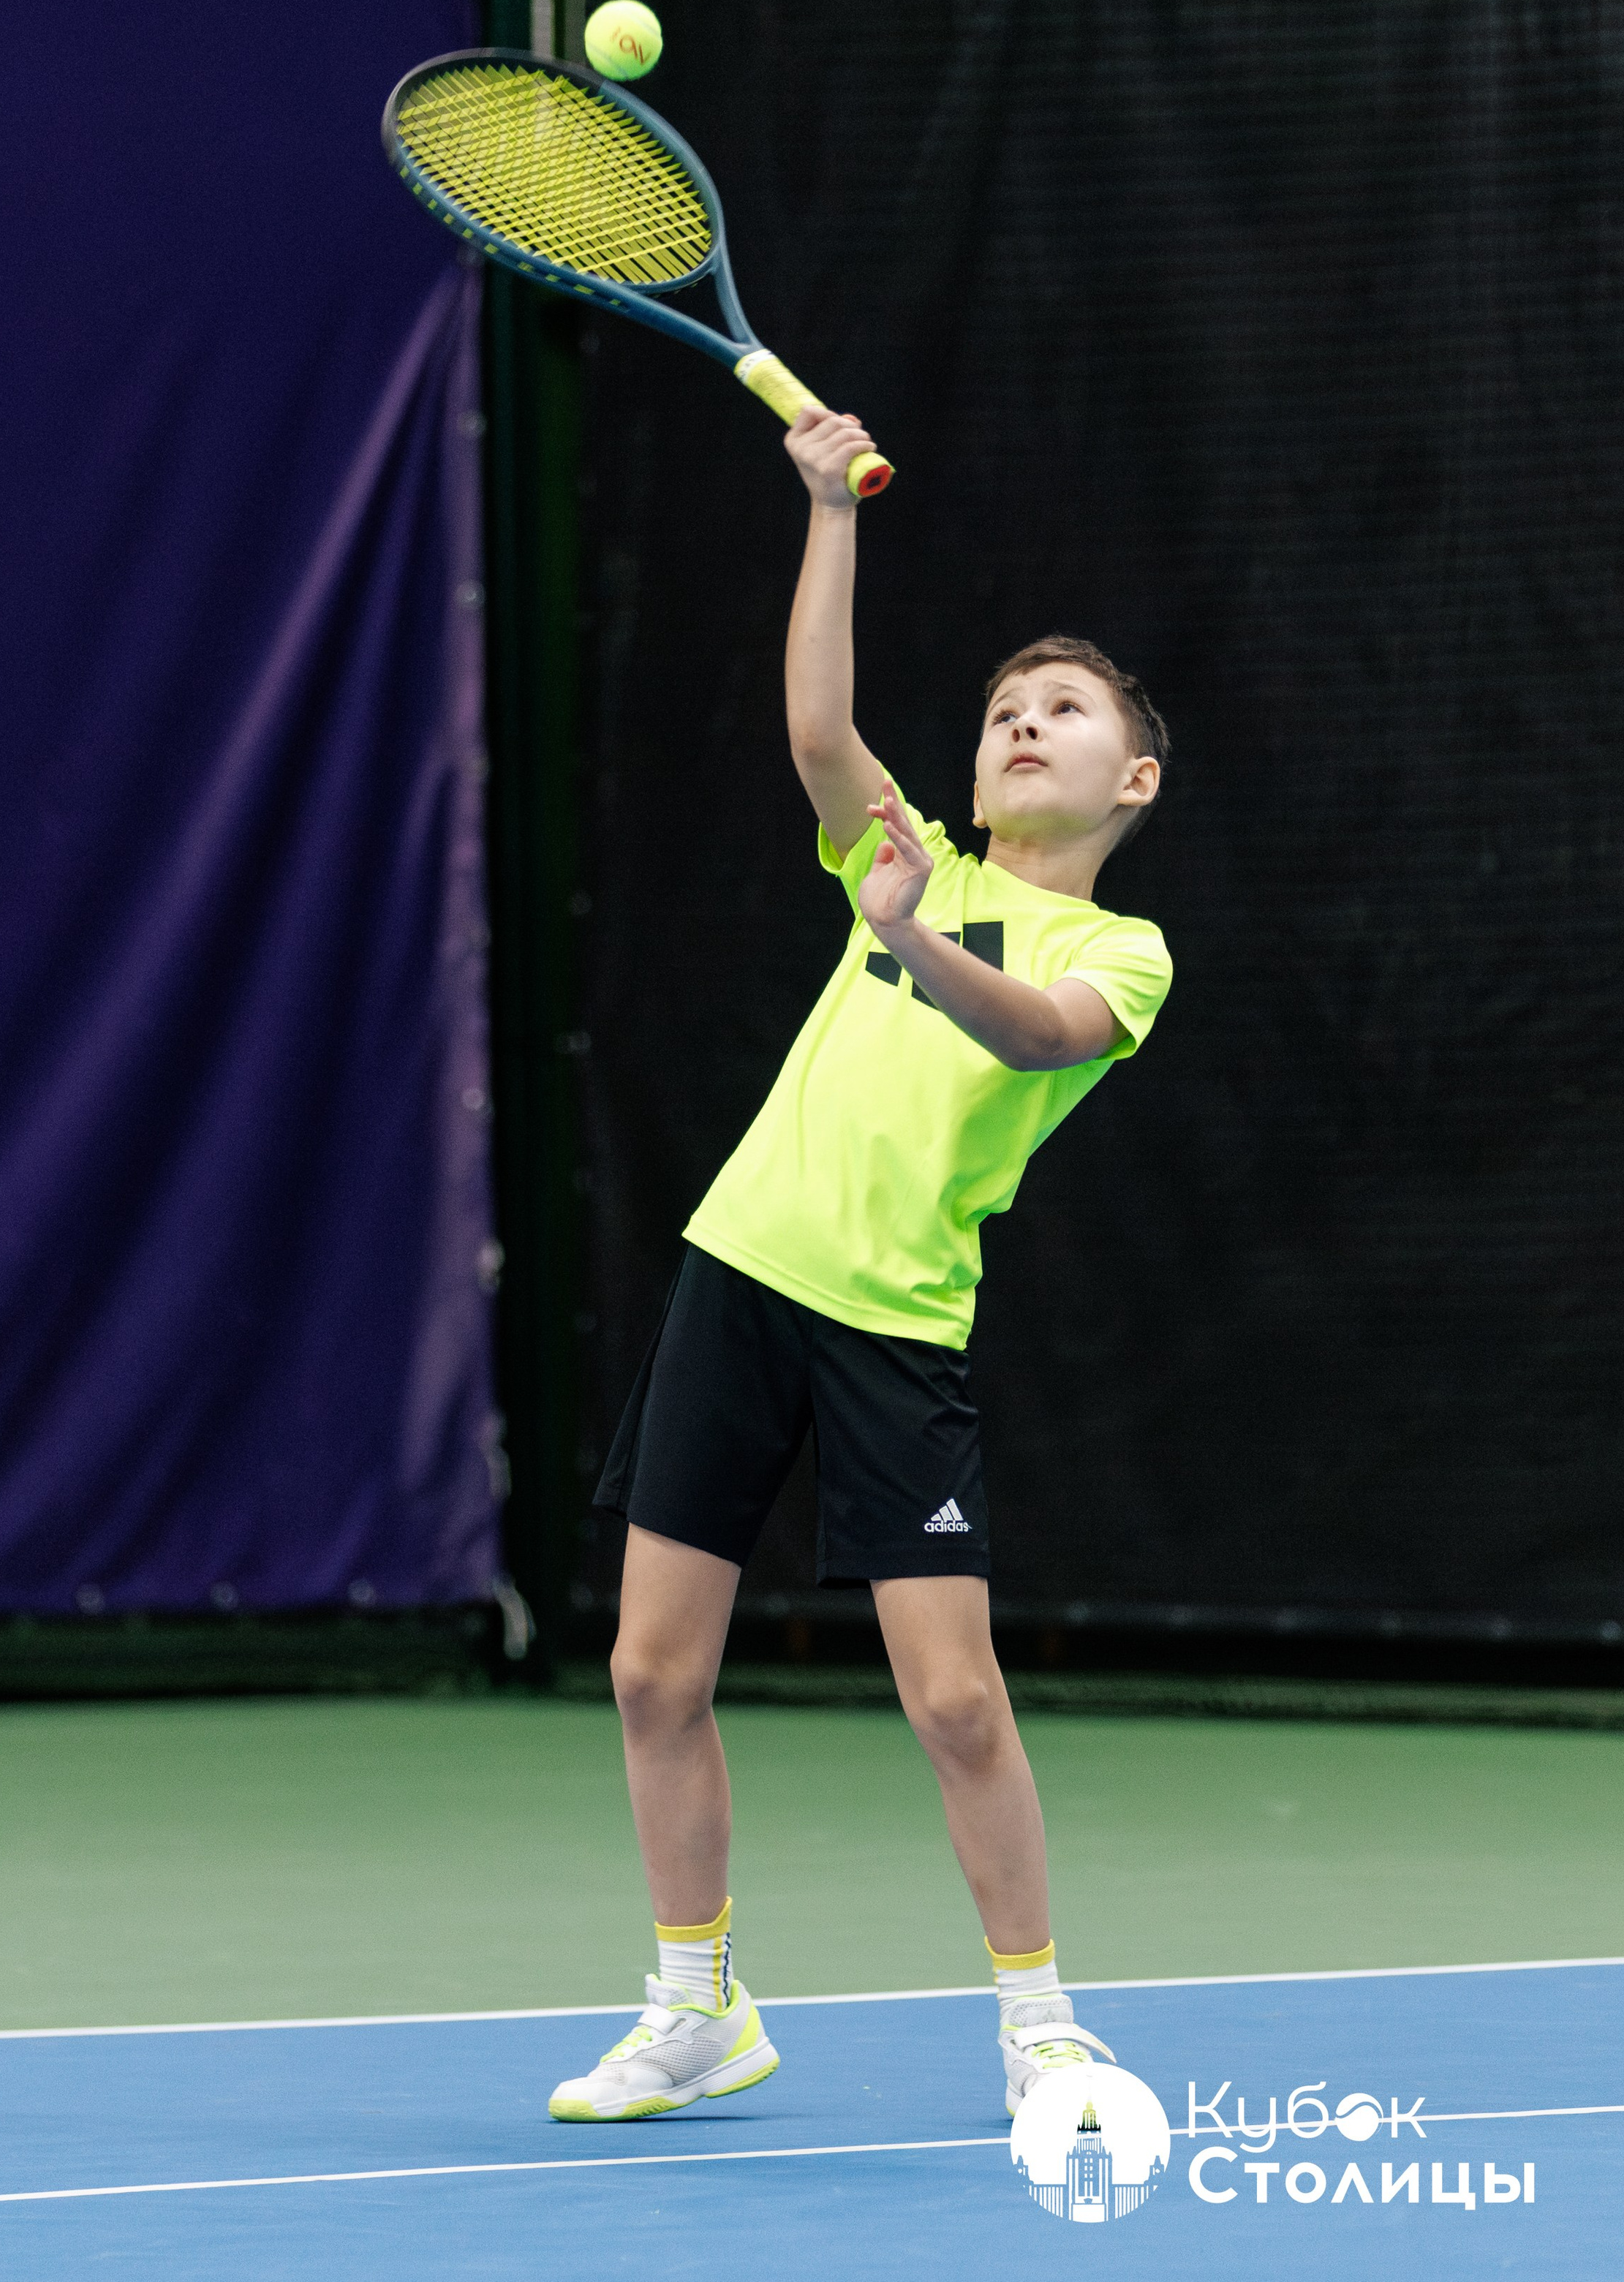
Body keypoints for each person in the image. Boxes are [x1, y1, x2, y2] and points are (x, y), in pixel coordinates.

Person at [549, 401, 1173, 2126]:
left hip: (895, 1325)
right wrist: (827, 506)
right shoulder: (900, 855)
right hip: (739, 1270)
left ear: (1129, 776)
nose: (1019, 722)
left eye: (1060, 708)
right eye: (997, 710)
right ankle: (696, 1998)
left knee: (954, 1697)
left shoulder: (1118, 949)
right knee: (649, 1668)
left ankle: (1039, 2021)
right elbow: (818, 722)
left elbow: (1037, 1037)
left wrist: (911, 935)